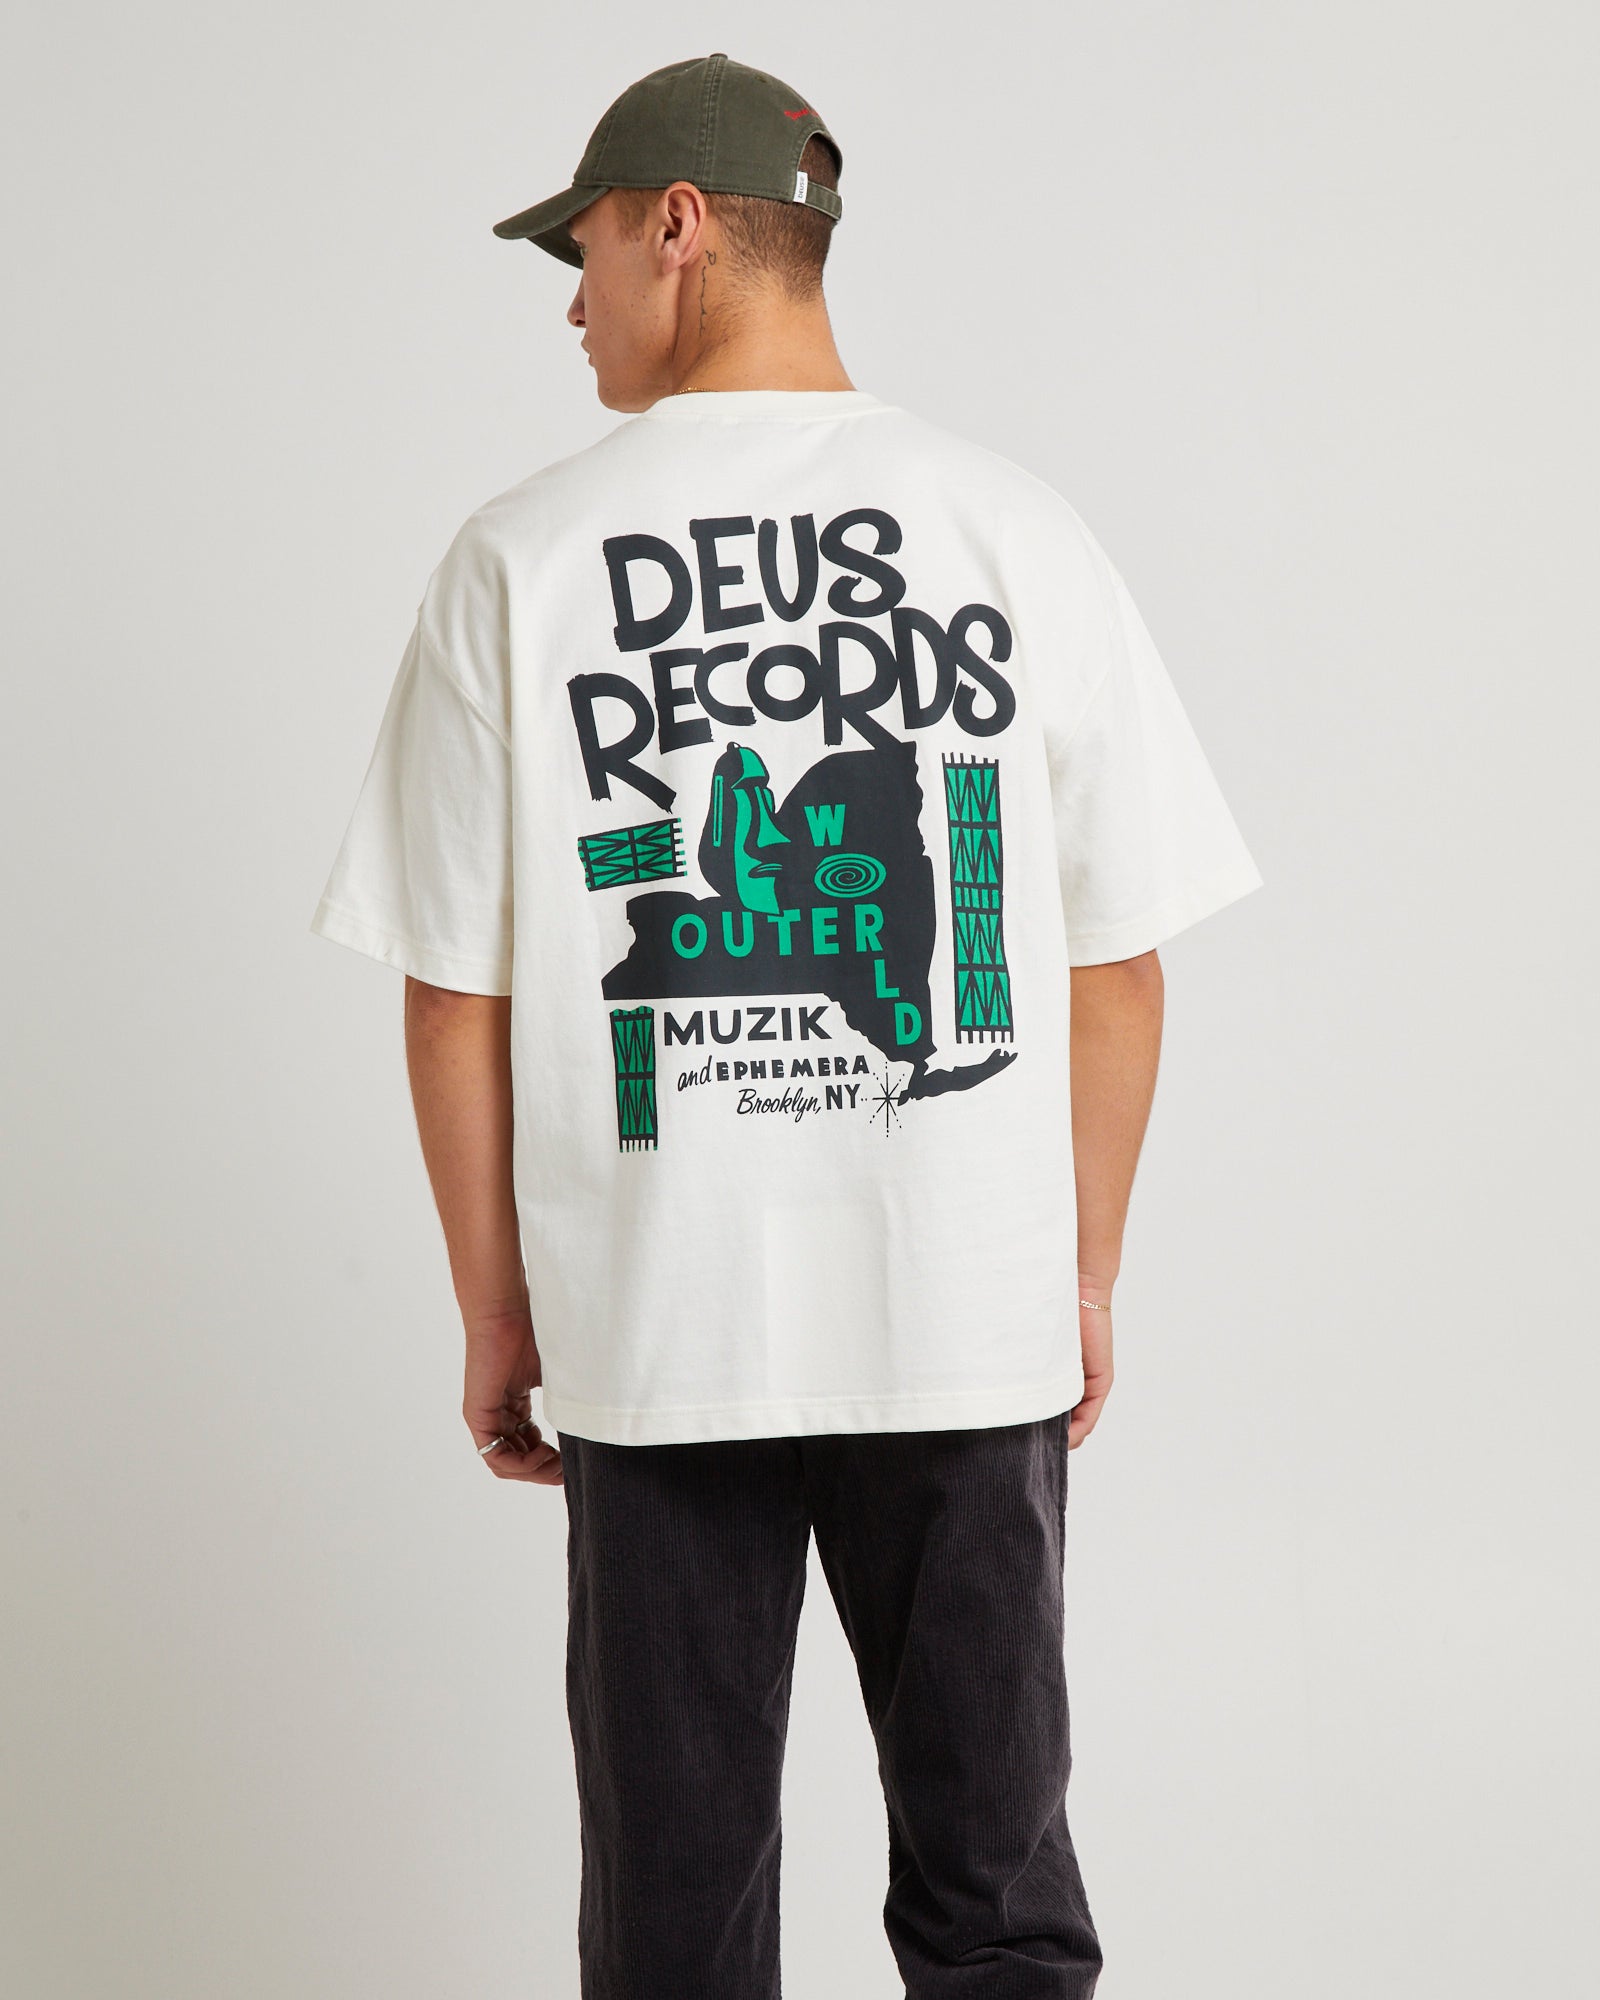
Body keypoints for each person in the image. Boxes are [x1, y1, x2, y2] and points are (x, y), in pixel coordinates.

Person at [309, 51, 1262, 2000]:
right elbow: (1115, 961)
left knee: (674, 1918)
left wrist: (499, 1311)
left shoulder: (521, 562)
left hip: (661, 1326)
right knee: (996, 1900)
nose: (573, 303)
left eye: (582, 250)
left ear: (677, 226)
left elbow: (454, 993)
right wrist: (1075, 1271)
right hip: (963, 1317)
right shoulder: (1013, 530)